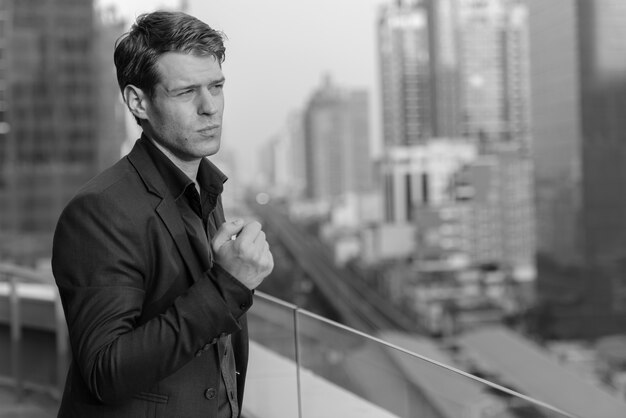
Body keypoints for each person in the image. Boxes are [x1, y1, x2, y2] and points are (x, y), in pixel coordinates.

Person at [51, 10, 273, 418]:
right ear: (139, 101)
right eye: (186, 92)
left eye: (216, 86)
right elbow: (106, 372)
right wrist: (228, 286)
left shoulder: (204, 190)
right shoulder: (101, 210)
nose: (210, 108)